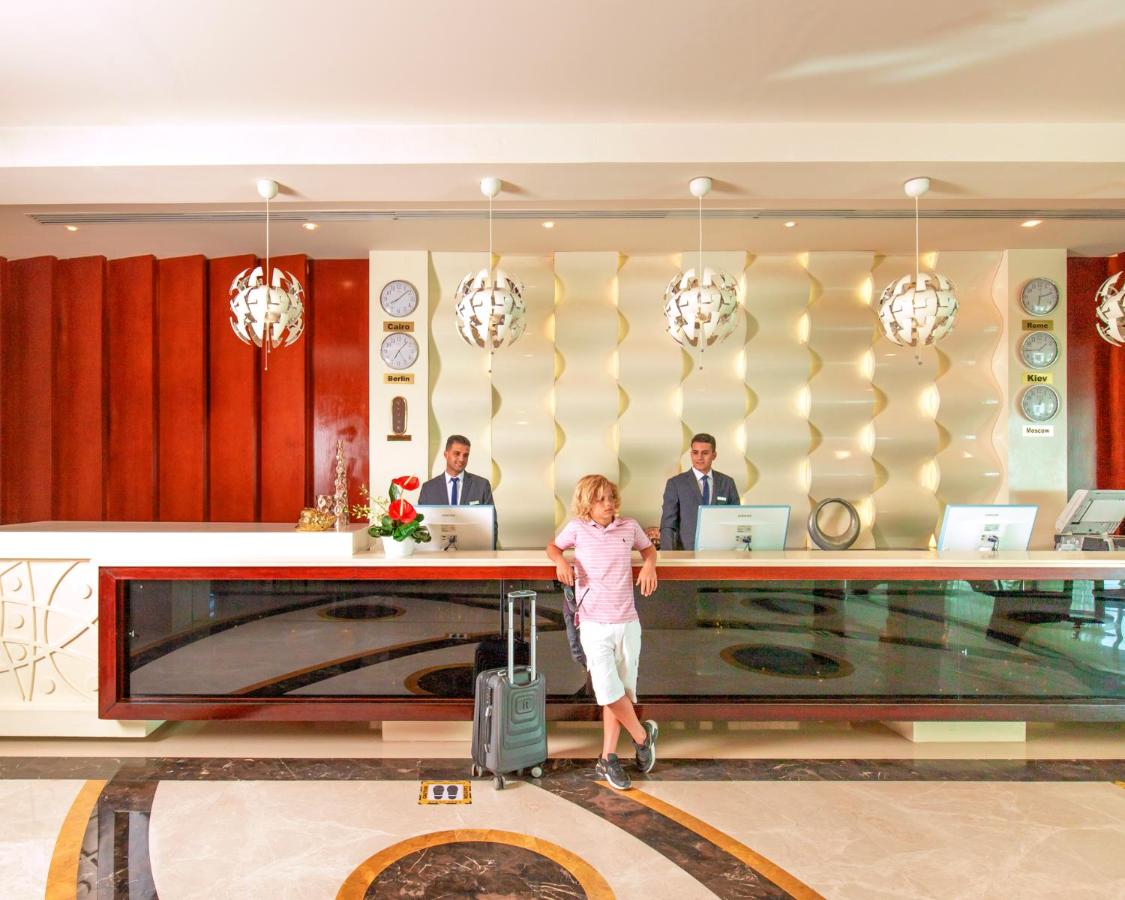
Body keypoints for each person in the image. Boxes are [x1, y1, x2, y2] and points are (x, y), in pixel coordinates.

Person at [546, 474, 659, 791]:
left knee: (621, 690)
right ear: (587, 503)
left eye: (610, 497)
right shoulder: (577, 528)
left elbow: (648, 550)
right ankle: (642, 736)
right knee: (607, 689)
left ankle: (608, 756)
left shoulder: (629, 526)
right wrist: (561, 561)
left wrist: (649, 564)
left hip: (627, 622)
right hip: (593, 623)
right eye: (600, 499)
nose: (608, 504)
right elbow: (552, 547)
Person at [659, 432, 740, 551]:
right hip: (687, 554)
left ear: (714, 455)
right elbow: (668, 525)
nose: (699, 457)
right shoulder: (675, 484)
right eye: (695, 452)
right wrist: (668, 556)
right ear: (691, 454)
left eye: (705, 453)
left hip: (721, 553)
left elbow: (736, 521)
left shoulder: (727, 483)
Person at [419, 434, 497, 544]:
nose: (461, 459)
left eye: (465, 455)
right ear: (446, 454)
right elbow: (421, 527)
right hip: (438, 551)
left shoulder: (482, 485)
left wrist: (487, 552)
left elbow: (492, 525)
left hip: (473, 550)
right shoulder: (428, 488)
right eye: (457, 453)